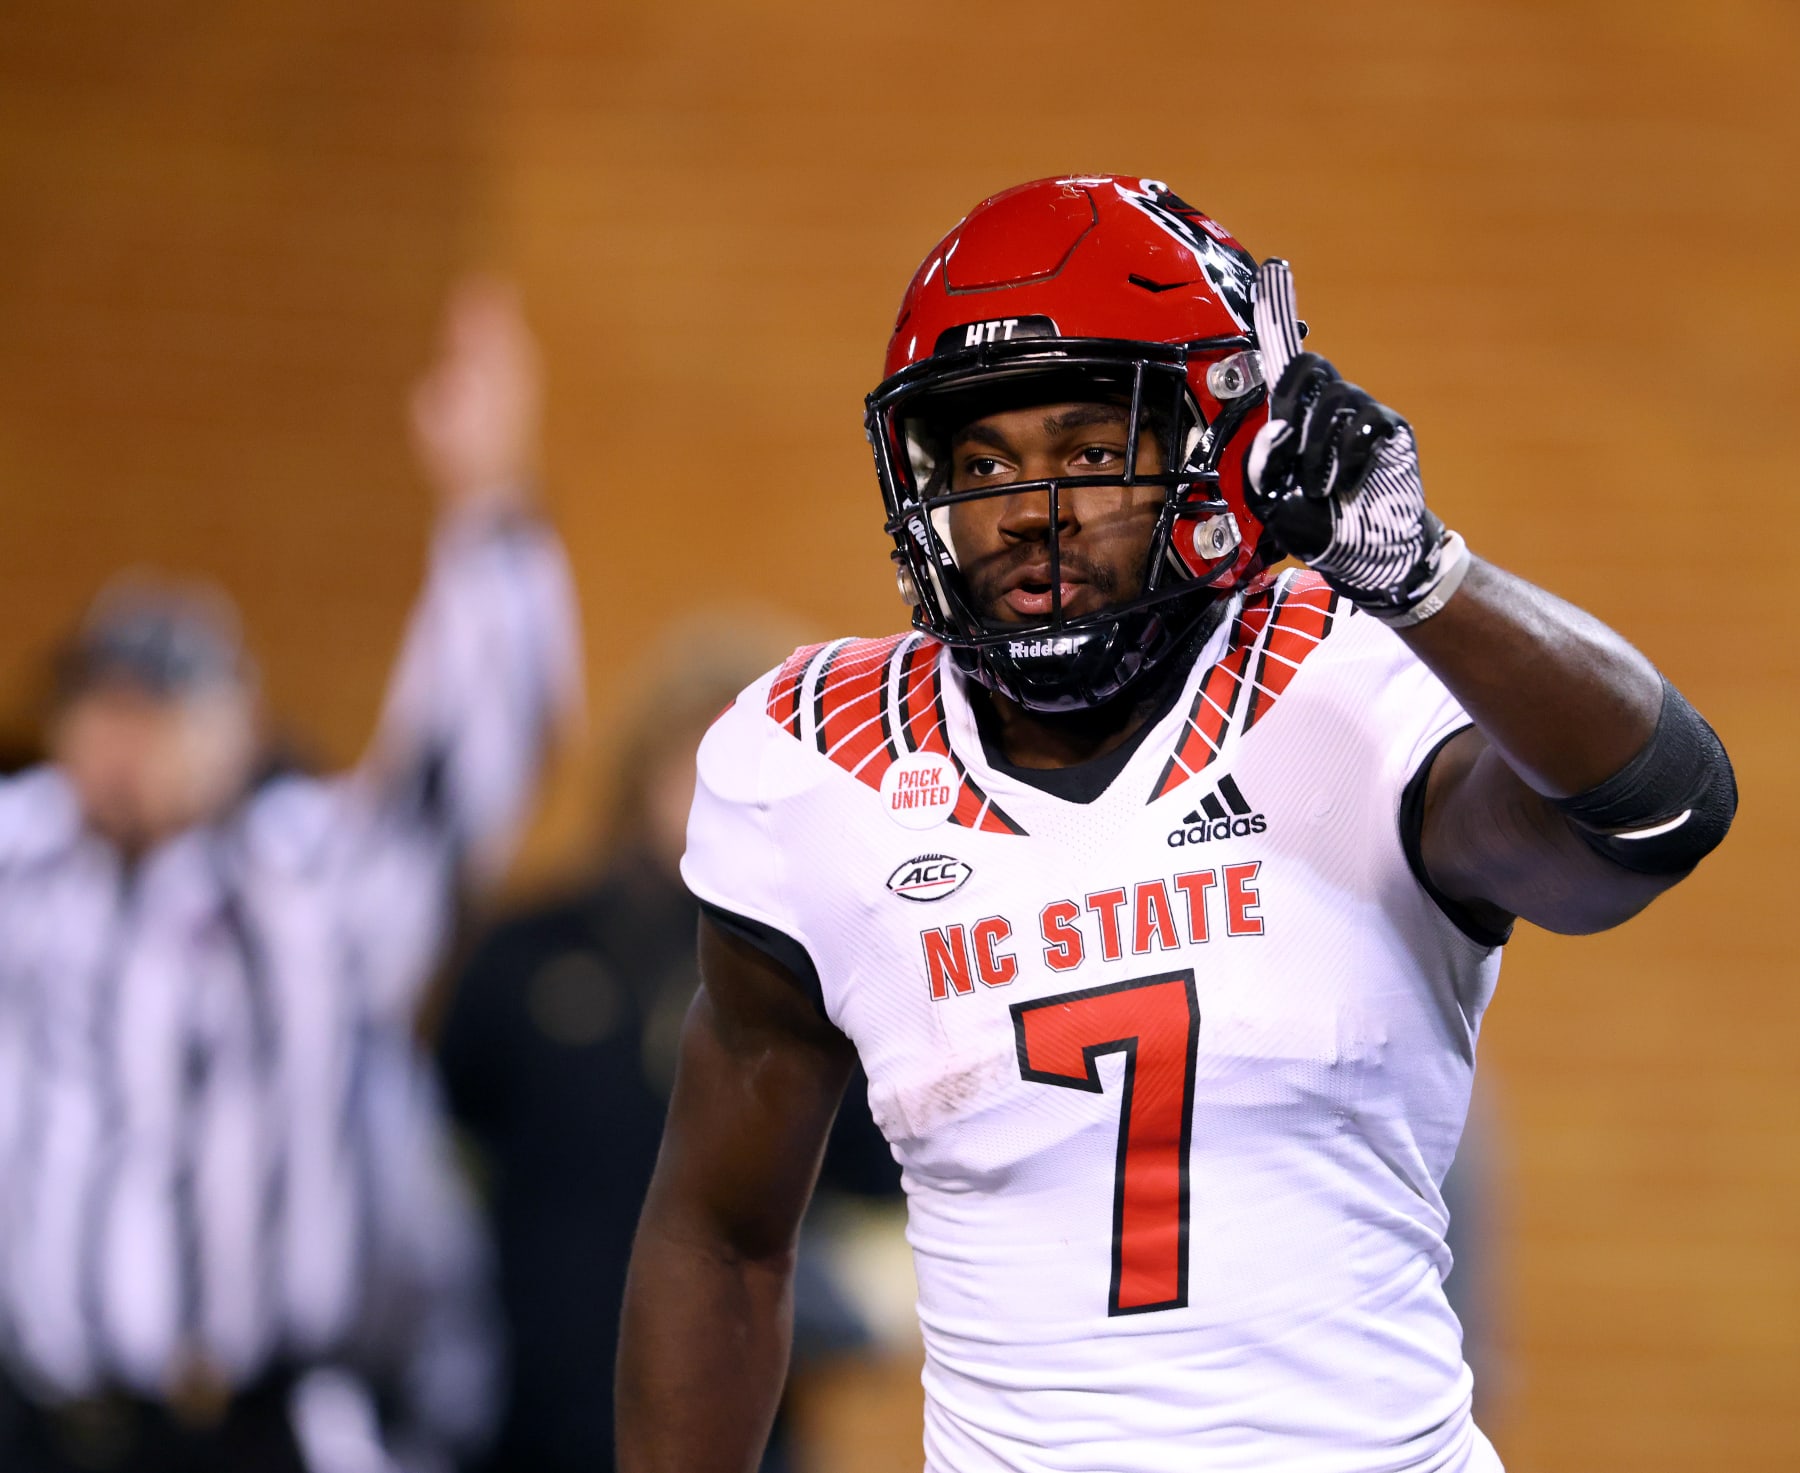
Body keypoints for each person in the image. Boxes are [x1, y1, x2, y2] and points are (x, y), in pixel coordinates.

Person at [615, 176, 1736, 1472]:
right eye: (983, 462)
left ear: (1211, 453)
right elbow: (719, 1234)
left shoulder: (1341, 685)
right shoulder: (824, 763)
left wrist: (1424, 573)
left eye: (1091, 450)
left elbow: (1657, 814)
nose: (1034, 509)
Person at [0, 281, 581, 1473]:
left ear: (239, 722)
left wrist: (489, 508)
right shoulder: (21, 859)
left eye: (160, 706)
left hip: (255, 1428)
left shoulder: (306, 881)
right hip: (45, 1426)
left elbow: (466, 763)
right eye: (100, 703)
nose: (125, 738)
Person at [439, 617, 900, 1473]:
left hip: (744, 1437)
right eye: (692, 758)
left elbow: (895, 1204)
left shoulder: (836, 981)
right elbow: (435, 1177)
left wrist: (834, 1307)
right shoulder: (527, 955)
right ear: (641, 767)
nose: (714, 793)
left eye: (747, 772)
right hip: (520, 1426)